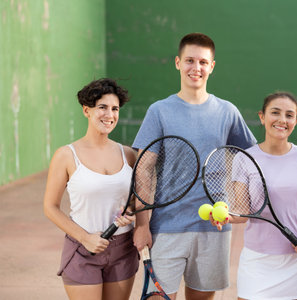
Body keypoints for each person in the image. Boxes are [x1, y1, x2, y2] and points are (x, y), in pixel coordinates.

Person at [132, 32, 256, 300]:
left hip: (214, 227)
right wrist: (142, 224)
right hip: (166, 226)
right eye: (189, 60)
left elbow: (255, 158)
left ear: (212, 66)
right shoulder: (159, 111)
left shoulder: (227, 112)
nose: (195, 68)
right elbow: (143, 169)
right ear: (177, 63)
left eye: (202, 62)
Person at [213, 91, 297, 300]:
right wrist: (226, 216)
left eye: (289, 115)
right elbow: (244, 212)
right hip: (257, 260)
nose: (282, 120)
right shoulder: (244, 159)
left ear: (296, 121)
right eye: (275, 113)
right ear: (262, 117)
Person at [43, 78, 139, 300]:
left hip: (123, 249)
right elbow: (50, 207)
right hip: (82, 250)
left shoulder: (129, 155)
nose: (110, 115)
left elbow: (136, 200)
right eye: (102, 107)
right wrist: (85, 238)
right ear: (86, 110)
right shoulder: (66, 155)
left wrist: (131, 212)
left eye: (114, 109)